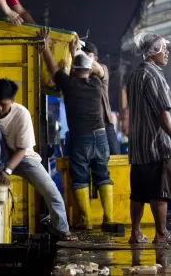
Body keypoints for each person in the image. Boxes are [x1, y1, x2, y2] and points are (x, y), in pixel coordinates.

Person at [0, 78, 76, 241]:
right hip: (1, 160)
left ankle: (61, 229)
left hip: (24, 158)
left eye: (3, 104)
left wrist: (7, 170)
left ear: (12, 100)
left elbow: (22, 149)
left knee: (50, 189)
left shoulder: (21, 114)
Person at [40, 28, 114, 230]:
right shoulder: (98, 84)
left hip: (81, 139)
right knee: (103, 175)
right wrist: (76, 52)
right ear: (89, 69)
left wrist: (45, 46)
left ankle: (87, 222)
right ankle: (108, 219)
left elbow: (53, 67)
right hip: (101, 137)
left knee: (80, 177)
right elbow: (87, 69)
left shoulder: (69, 84)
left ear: (73, 70)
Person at [125, 32, 171, 245]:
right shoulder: (154, 75)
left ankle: (135, 233)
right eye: (163, 49)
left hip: (138, 148)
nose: (167, 52)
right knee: (160, 192)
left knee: (138, 193)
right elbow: (163, 113)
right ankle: (161, 234)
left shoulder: (134, 75)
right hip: (157, 145)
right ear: (153, 52)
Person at [83, 41, 121, 155]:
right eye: (82, 55)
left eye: (88, 56)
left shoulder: (103, 69)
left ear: (96, 58)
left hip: (105, 125)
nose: (84, 59)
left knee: (115, 158)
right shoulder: (76, 74)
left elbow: (97, 69)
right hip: (86, 128)